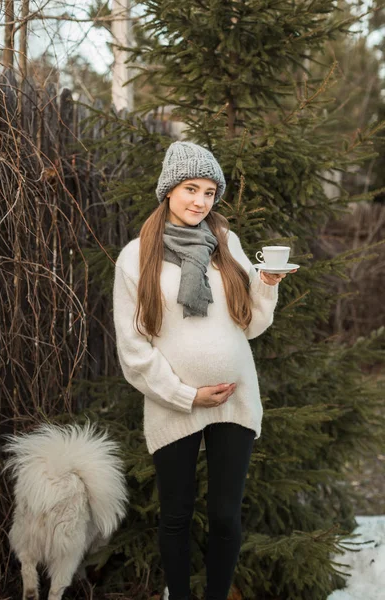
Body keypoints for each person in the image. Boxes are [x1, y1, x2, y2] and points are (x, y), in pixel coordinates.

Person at [113, 141, 296, 600]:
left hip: (234, 398)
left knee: (225, 516)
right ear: (169, 189)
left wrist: (267, 287)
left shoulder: (226, 244)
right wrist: (186, 396)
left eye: (210, 192)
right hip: (172, 405)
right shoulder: (135, 257)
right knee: (176, 514)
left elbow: (250, 325)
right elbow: (133, 350)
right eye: (191, 188)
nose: (200, 201)